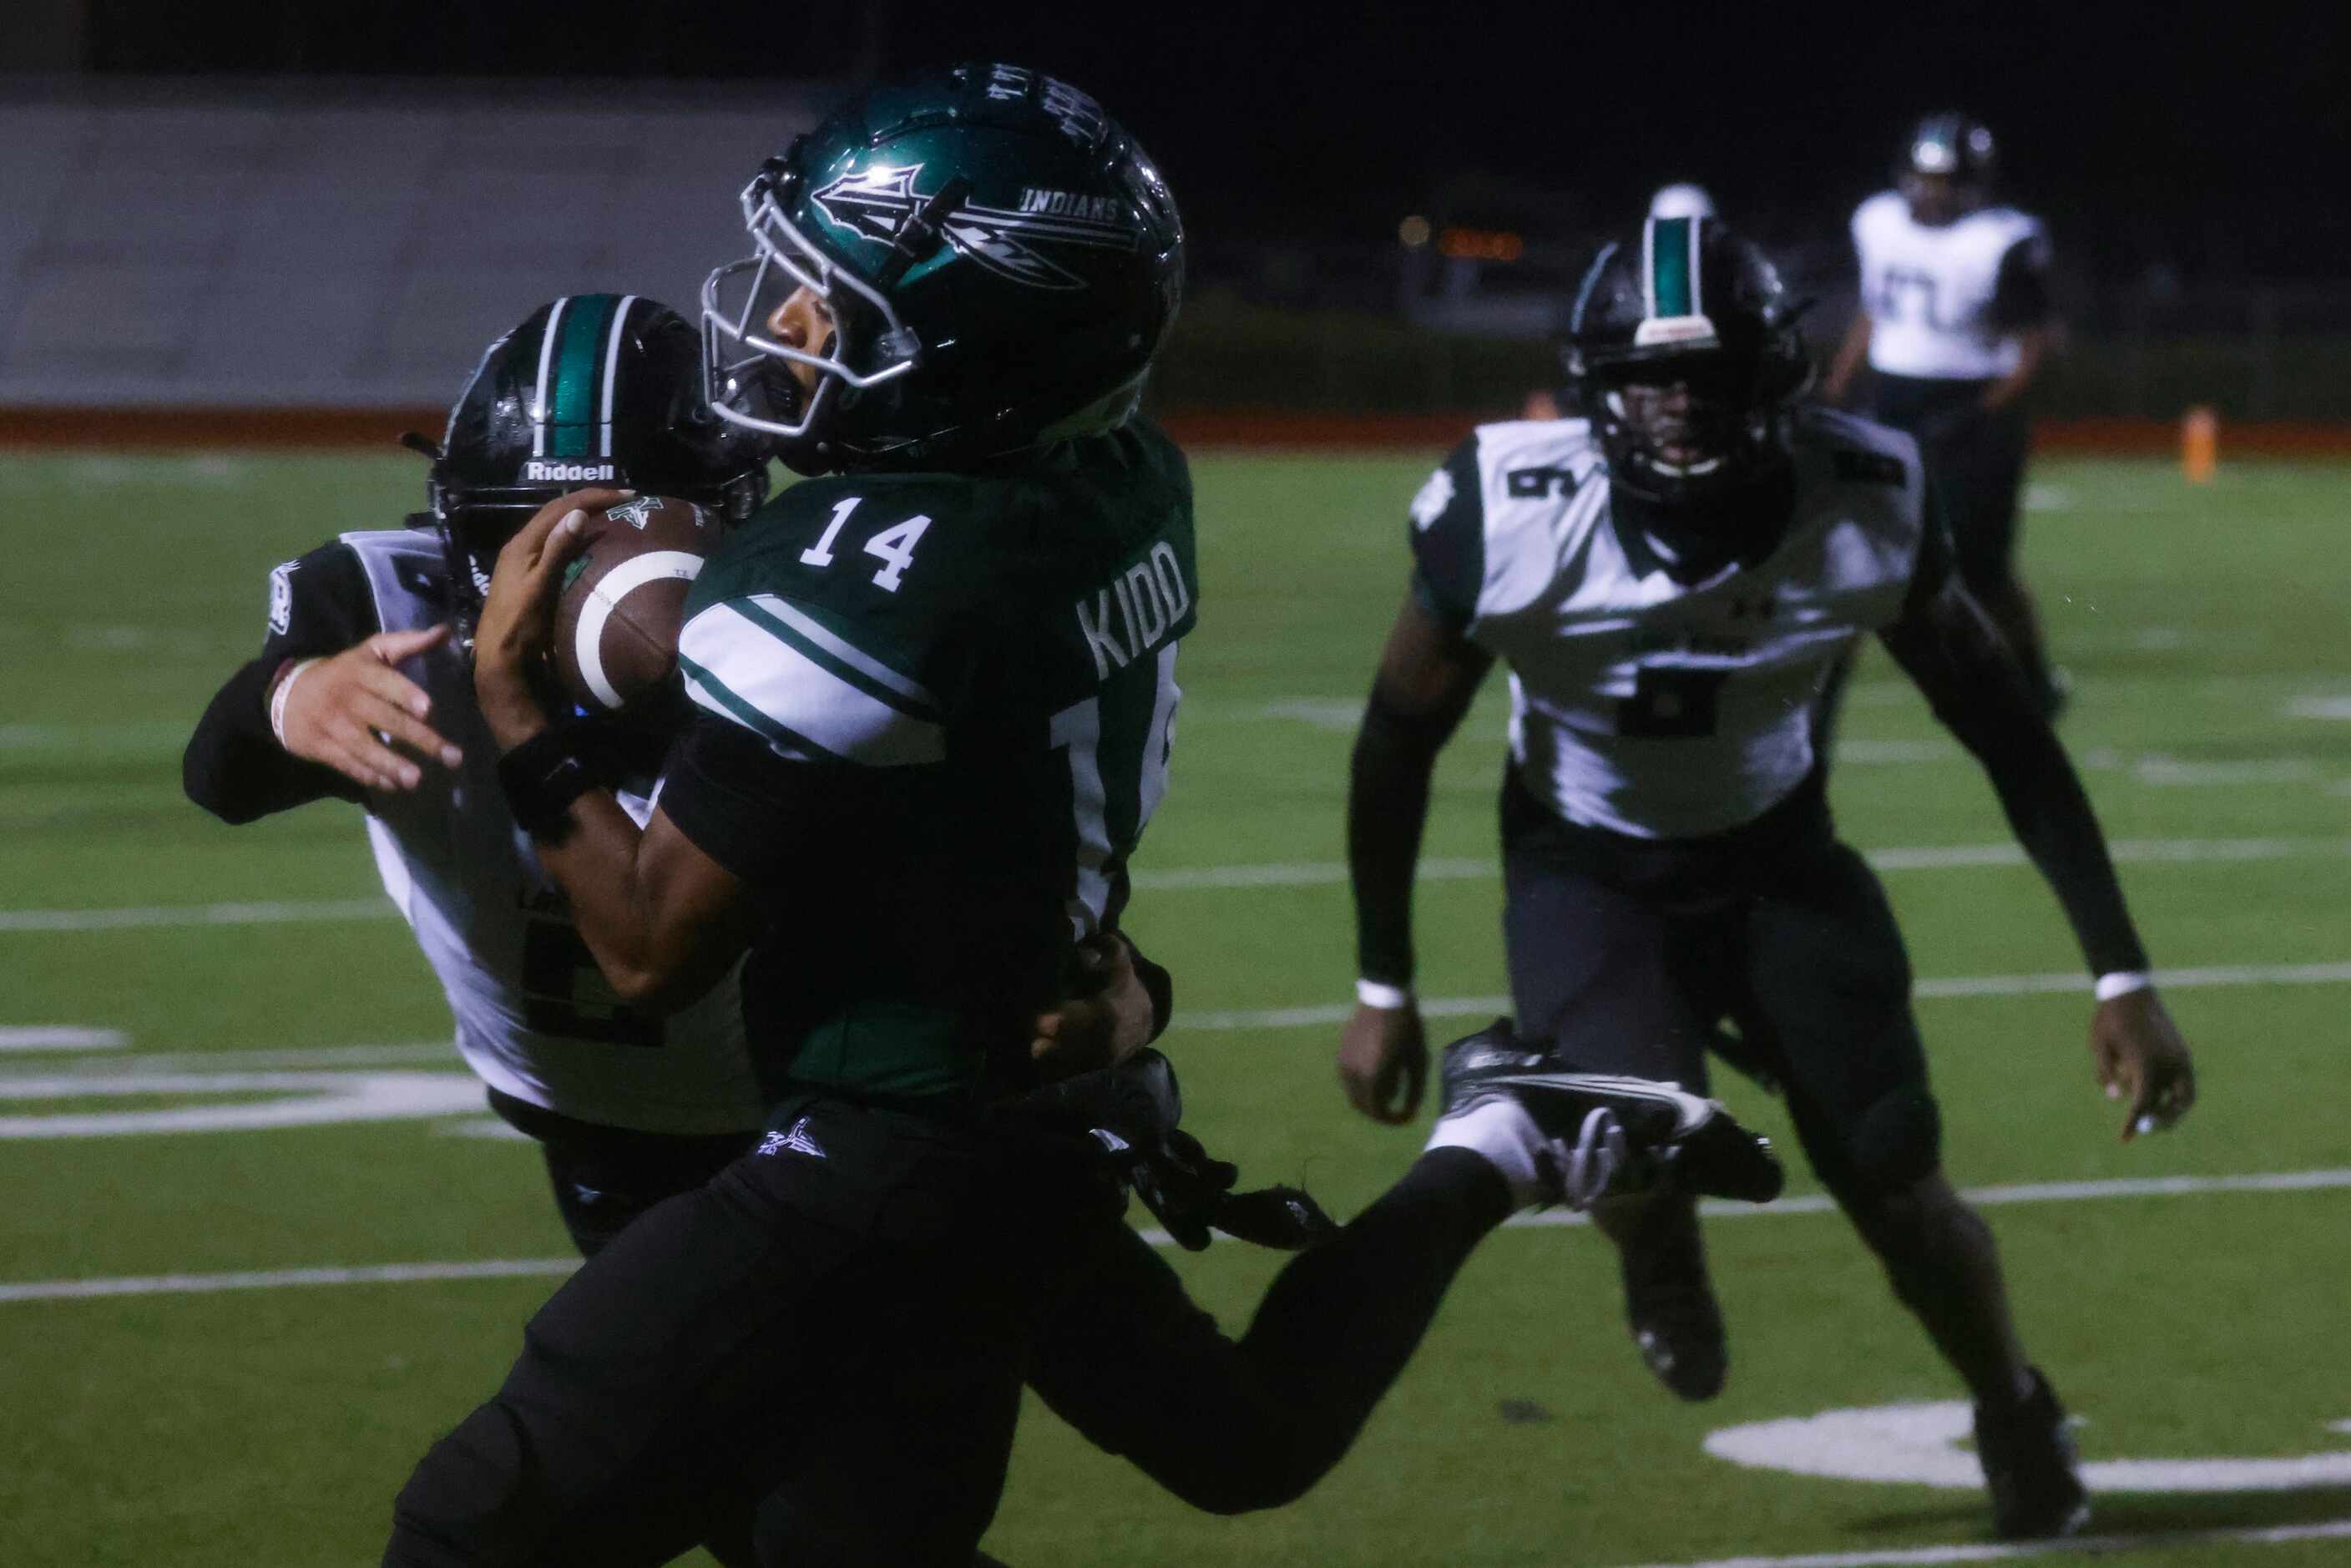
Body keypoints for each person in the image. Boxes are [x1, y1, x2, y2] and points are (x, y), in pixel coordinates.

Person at [379, 65, 1780, 1568]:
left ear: (974, 334)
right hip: (1034, 1102)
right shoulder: (1120, 472)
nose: (784, 324)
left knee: (477, 1523)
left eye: (829, 299)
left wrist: (518, 708)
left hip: (889, 1145)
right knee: (1208, 1444)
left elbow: (652, 941)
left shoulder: (854, 586)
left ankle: (1503, 1140)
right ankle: (1501, 1139)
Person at [1337, 215, 2196, 1542]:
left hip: (1778, 858)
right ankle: (1661, 1248)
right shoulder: (1507, 509)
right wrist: (1379, 979)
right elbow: (1398, 739)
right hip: (1587, 865)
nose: (1675, 406)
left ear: (1775, 376)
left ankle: (2013, 1404)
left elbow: (2008, 732)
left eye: (1708, 373)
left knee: (1899, 1180)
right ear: (1595, 383)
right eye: (1645, 375)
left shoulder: (1864, 493)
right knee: (1623, 1142)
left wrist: (2122, 969)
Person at [184, 296, 781, 1257]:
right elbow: (222, 780)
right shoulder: (385, 610)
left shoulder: (797, 627)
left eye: (619, 537)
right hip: (577, 1108)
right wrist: (292, 694)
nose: (556, 575)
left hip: (810, 1101)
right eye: (519, 535)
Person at [1822, 113, 2065, 715]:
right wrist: (1836, 387)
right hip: (1892, 400)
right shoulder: (1877, 221)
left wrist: (1984, 412)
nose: (1931, 193)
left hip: (1973, 406)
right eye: (1923, 179)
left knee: (1982, 569)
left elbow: (2034, 344)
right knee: (1857, 552)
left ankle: (2034, 678)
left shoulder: (2003, 240)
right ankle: (1822, 694)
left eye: (1946, 181)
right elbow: (1874, 310)